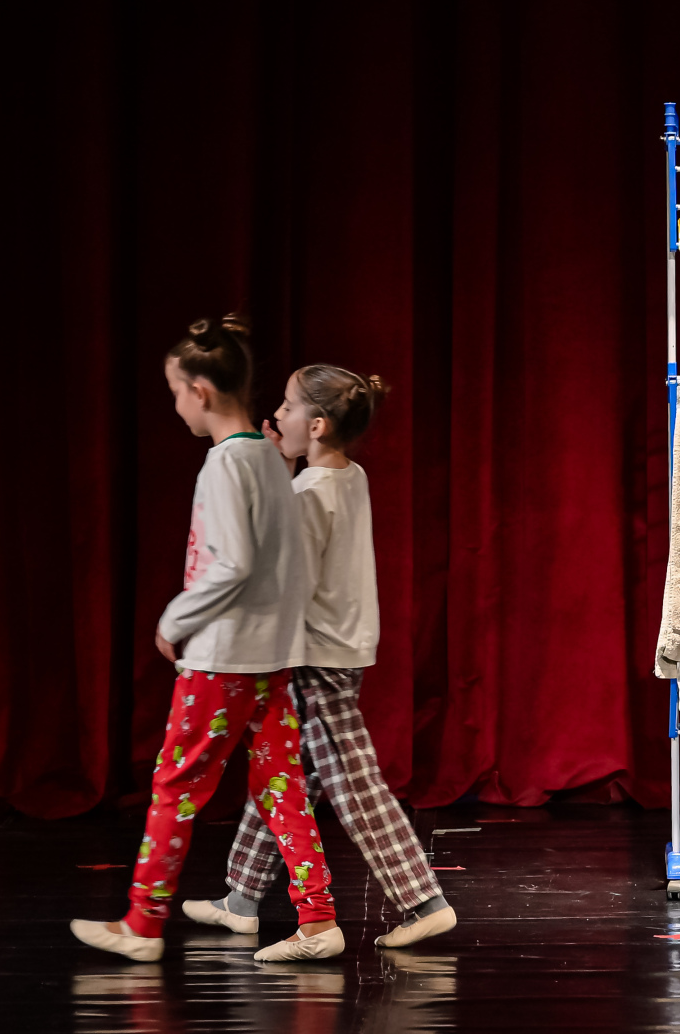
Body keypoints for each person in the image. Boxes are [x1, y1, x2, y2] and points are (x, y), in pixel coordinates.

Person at [70, 316, 344, 964]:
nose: (175, 405)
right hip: (270, 660)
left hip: (223, 660)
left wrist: (175, 620)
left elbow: (233, 563)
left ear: (199, 390)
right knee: (282, 788)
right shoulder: (271, 458)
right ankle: (318, 918)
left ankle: (143, 923)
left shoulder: (227, 463)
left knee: (175, 785)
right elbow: (287, 564)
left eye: (175, 391)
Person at [183, 365, 458, 948]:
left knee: (351, 781)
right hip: (338, 646)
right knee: (285, 773)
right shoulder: (346, 476)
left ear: (316, 425)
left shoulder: (308, 495)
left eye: (287, 407)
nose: (276, 415)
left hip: (317, 655)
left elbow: (288, 581)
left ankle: (422, 900)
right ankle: (241, 896)